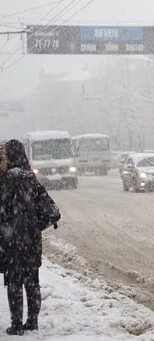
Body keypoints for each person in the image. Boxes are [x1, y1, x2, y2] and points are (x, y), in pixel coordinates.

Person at [1, 139, 60, 335]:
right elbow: (52, 212)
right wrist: (34, 227)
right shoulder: (31, 179)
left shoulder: (5, 180)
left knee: (14, 283)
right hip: (31, 242)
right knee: (32, 282)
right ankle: (32, 322)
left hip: (11, 241)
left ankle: (16, 325)